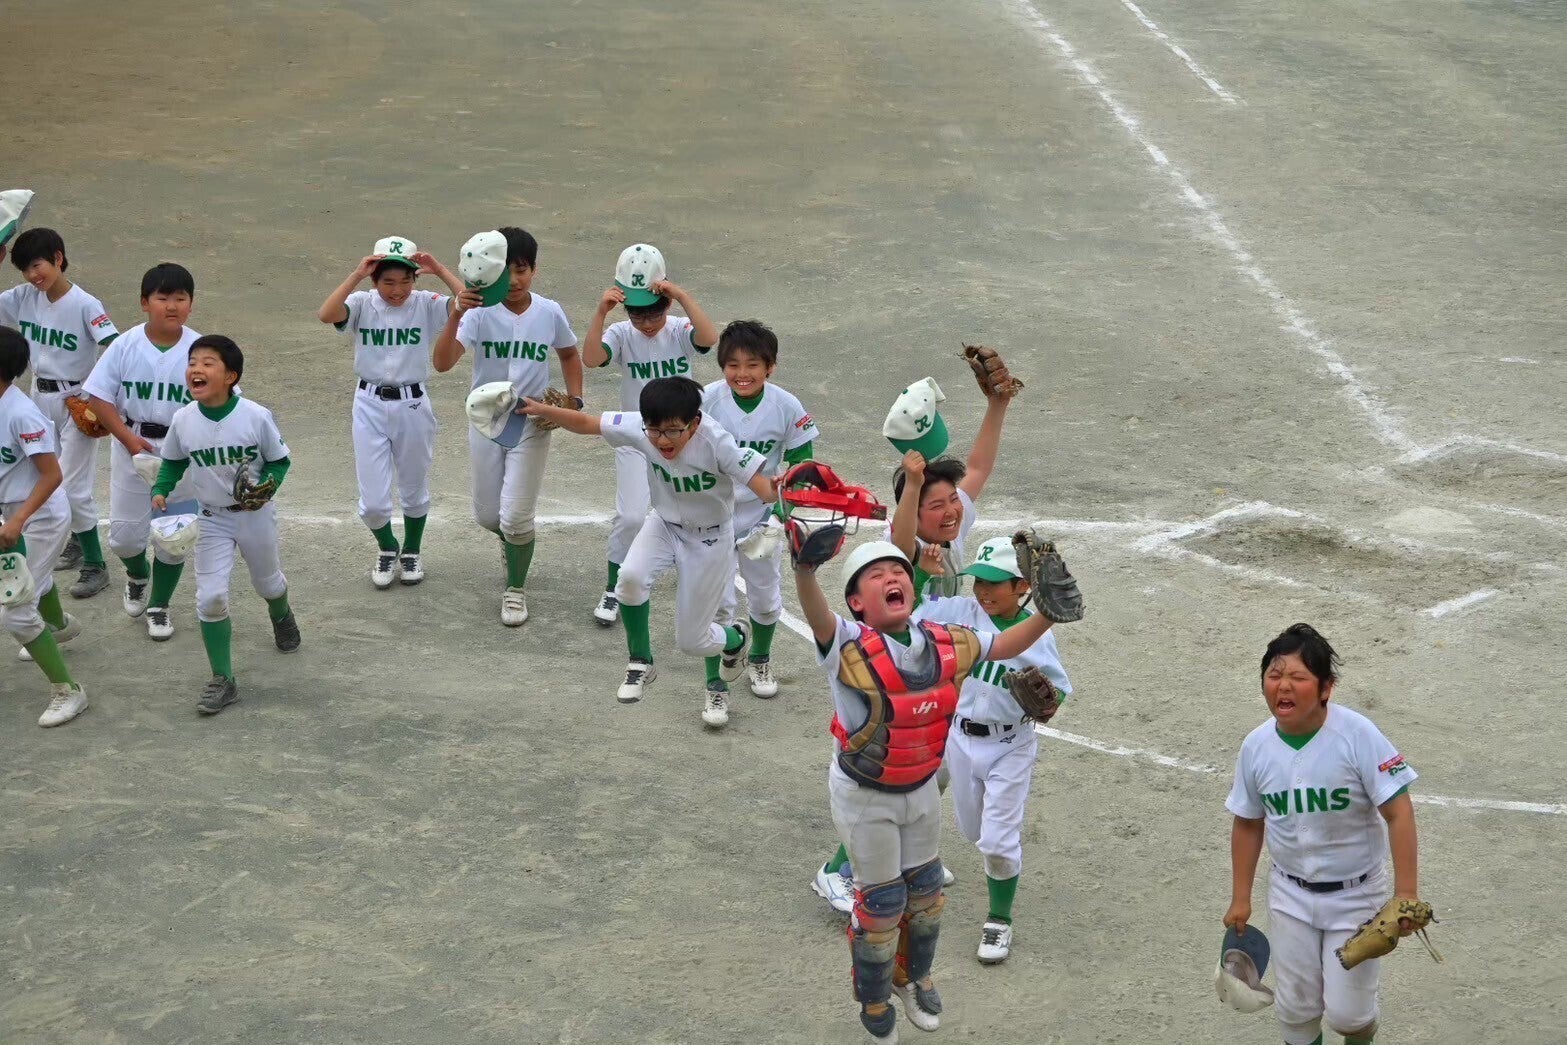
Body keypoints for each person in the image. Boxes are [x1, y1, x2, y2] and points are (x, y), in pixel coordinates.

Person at [794, 534, 1059, 1041]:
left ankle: (913, 977)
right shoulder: (845, 644)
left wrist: (1047, 612)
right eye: (876, 576)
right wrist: (805, 572)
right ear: (857, 602)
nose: (892, 577)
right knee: (881, 905)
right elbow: (817, 617)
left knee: (927, 895)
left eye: (898, 571)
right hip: (865, 794)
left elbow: (1005, 645)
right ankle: (874, 1002)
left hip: (918, 787)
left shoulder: (945, 639)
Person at [519, 376, 776, 728]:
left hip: (711, 538)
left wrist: (789, 488)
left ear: (694, 422)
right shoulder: (642, 427)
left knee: (693, 641)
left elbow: (764, 488)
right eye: (654, 431)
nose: (662, 440)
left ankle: (736, 638)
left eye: (672, 431)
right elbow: (588, 423)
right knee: (628, 579)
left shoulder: (718, 443)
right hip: (665, 525)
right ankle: (641, 661)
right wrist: (542, 409)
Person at [1224, 623, 1425, 1045]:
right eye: (1274, 675)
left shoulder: (1358, 735)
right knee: (1296, 1012)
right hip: (1290, 895)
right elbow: (1248, 822)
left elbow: (1398, 811)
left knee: (1349, 1016)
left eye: (1297, 677)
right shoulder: (1255, 747)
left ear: (1325, 688)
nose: (1283, 686)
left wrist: (1406, 893)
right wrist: (1240, 897)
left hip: (1357, 896)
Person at [433, 227, 581, 626]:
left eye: (522, 269)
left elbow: (569, 354)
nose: (514, 280)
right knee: (488, 517)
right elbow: (442, 363)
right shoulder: (478, 313)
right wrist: (456, 313)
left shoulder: (548, 311)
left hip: (532, 423)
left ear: (534, 270)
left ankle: (515, 589)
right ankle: (513, 544)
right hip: (485, 424)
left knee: (515, 518)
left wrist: (575, 400)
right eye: (506, 272)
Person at [151, 335, 298, 714]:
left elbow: (279, 461)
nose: (196, 369)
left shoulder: (255, 416)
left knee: (267, 583)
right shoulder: (184, 419)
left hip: (255, 515)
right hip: (211, 518)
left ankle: (281, 613)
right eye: (192, 363)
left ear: (231, 376)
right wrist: (161, 488)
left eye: (208, 363)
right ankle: (223, 679)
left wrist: (269, 487)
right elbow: (173, 461)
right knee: (211, 597)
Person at [581, 243, 717, 625]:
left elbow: (709, 338)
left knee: (692, 511)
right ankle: (614, 587)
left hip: (684, 439)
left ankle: (695, 574)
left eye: (654, 312)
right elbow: (591, 359)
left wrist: (682, 296)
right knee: (630, 517)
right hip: (637, 437)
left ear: (667, 302)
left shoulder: (679, 329)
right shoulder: (621, 333)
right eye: (637, 314)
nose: (646, 322)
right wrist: (600, 312)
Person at [317, 237, 462, 588]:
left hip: (413, 405)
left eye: (405, 280)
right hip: (368, 405)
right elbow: (326, 314)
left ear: (415, 278)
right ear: (374, 279)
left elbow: (471, 303)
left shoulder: (426, 303)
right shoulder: (360, 303)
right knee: (373, 505)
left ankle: (411, 550)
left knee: (414, 487)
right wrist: (355, 275)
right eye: (388, 282)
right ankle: (387, 546)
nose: (397, 290)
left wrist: (440, 269)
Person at [82, 262, 203, 641]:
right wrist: (126, 438)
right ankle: (137, 575)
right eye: (162, 298)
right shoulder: (125, 345)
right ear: (144, 302)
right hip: (131, 447)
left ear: (191, 303)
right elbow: (98, 397)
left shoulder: (201, 350)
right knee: (124, 538)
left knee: (174, 538)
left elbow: (220, 401)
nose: (172, 306)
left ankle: (159, 606)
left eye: (180, 298)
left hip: (180, 455)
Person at [0, 227, 120, 597]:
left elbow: (115, 347)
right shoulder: (24, 297)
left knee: (70, 486)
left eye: (37, 265)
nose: (32, 275)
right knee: (40, 479)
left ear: (58, 258)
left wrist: (100, 396)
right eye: (25, 269)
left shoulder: (85, 304)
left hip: (77, 403)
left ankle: (96, 564)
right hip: (38, 399)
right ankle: (78, 540)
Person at [700, 319, 818, 698]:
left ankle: (760, 658)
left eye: (752, 365)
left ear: (771, 367)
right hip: (712, 514)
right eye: (733, 365)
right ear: (722, 366)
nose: (742, 374)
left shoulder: (786, 406)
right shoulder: (705, 401)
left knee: (765, 599)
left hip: (761, 515)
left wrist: (779, 518)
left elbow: (802, 465)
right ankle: (714, 681)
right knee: (715, 603)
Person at [0, 326, 89, 726]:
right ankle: (58, 626)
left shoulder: (21, 413)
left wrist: (19, 519)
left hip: (41, 517)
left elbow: (52, 475)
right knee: (36, 575)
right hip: (14, 513)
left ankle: (69, 691)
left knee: (15, 612)